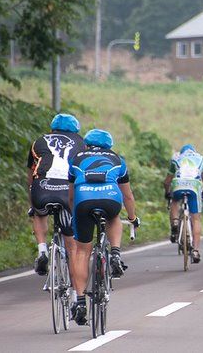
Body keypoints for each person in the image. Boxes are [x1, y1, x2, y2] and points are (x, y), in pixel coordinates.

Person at [68, 129, 139, 326]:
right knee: (114, 216)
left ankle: (81, 302)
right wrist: (132, 218)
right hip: (110, 197)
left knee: (82, 252)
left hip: (83, 200)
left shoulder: (76, 158)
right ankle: (115, 253)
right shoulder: (117, 159)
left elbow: (71, 196)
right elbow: (128, 196)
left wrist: (75, 214)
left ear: (87, 144)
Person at [27, 113, 85, 277]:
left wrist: (33, 203)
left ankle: (42, 250)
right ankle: (76, 296)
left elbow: (30, 177)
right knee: (72, 246)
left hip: (42, 186)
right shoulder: (81, 143)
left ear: (52, 128)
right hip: (67, 189)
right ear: (76, 130)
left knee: (39, 213)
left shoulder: (38, 142)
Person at [164, 144, 203, 263]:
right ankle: (195, 251)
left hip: (178, 184)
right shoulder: (201, 158)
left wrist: (167, 192)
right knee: (196, 219)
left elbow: (167, 181)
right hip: (194, 186)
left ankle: (174, 223)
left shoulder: (176, 158)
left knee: (174, 201)